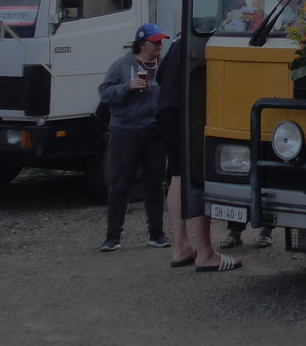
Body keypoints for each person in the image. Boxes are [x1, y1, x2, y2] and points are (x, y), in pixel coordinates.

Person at [156, 36, 241, 272]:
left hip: (166, 110)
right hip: (189, 112)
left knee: (177, 175)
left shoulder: (178, 39)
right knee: (198, 175)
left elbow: (159, 75)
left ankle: (181, 247)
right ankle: (205, 253)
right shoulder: (212, 39)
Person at [96, 23, 170, 252]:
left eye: (161, 41)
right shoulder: (121, 65)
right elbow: (104, 92)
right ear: (142, 43)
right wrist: (126, 87)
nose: (160, 45)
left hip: (154, 133)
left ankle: (156, 234)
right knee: (120, 184)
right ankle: (112, 237)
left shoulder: (163, 66)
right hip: (125, 132)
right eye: (155, 42)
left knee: (155, 184)